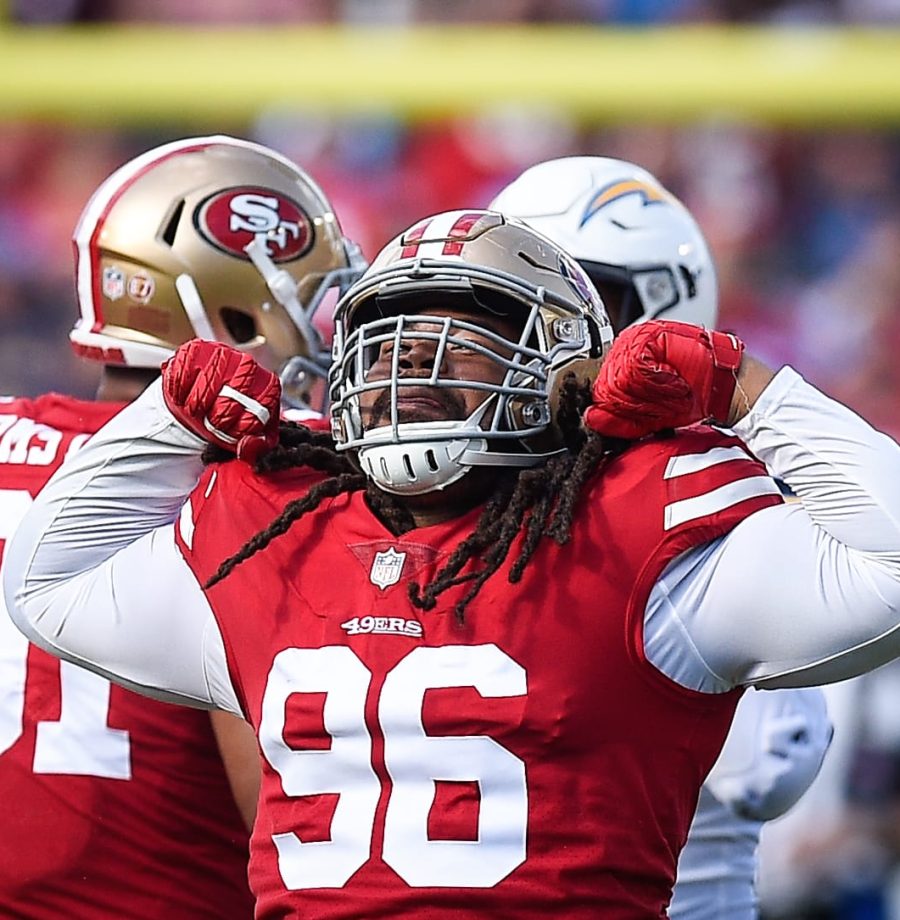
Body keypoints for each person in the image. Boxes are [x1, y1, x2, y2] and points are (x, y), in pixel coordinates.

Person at [6, 208, 900, 919]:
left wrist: (742, 389)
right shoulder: (276, 523)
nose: (410, 362)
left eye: (462, 332)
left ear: (560, 363)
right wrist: (165, 415)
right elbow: (43, 587)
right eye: (388, 334)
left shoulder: (638, 524)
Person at [0, 133, 364, 917]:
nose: (326, 331)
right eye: (310, 297)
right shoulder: (250, 481)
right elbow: (294, 823)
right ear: (227, 310)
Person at [489, 155, 835, 919]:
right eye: (509, 300)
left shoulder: (702, 503)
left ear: (659, 314)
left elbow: (769, 763)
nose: (533, 332)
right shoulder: (448, 497)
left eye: (573, 292)